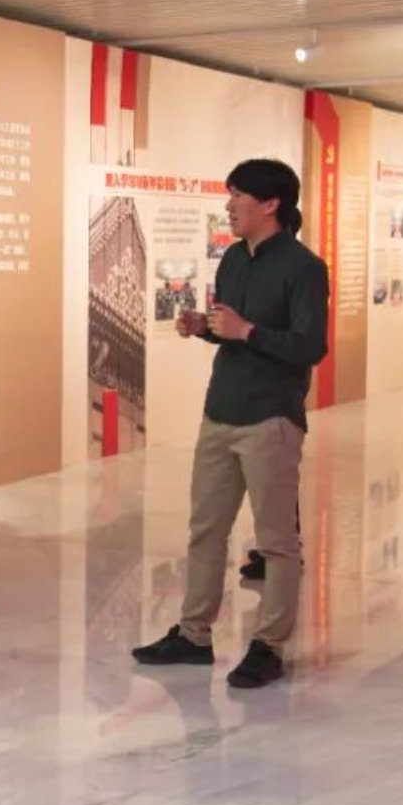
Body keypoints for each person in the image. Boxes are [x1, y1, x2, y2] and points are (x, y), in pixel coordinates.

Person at [131, 158, 329, 690]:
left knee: (276, 542)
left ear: (271, 204)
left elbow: (311, 346)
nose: (229, 205)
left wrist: (248, 331)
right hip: (220, 411)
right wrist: (206, 327)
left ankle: (269, 645)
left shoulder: (305, 268)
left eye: (238, 195)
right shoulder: (235, 259)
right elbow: (232, 329)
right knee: (205, 530)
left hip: (271, 418)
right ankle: (193, 635)